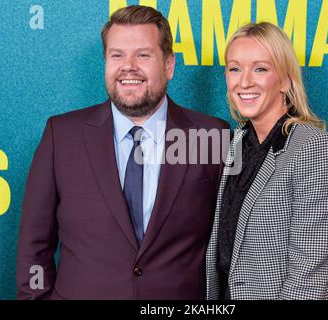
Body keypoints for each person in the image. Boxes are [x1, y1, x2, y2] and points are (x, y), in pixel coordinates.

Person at [16, 5, 229, 300]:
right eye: (117, 55)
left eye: (143, 55)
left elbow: (232, 244)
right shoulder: (62, 136)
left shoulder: (210, 136)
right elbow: (34, 245)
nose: (128, 66)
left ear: (169, 65)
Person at [205, 22, 328, 300]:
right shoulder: (233, 142)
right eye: (234, 68)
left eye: (260, 68)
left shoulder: (314, 147)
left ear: (285, 79)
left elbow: (309, 274)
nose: (244, 81)